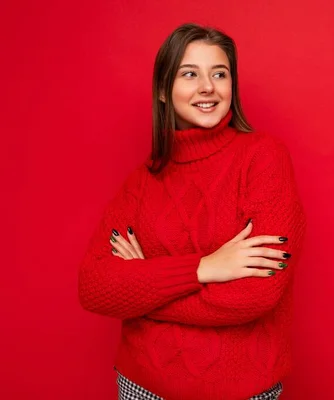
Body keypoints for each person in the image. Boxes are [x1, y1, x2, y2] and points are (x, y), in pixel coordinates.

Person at [78, 23, 306, 400]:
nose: (207, 87)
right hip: (142, 385)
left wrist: (142, 294)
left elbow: (258, 293)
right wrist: (203, 267)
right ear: (163, 91)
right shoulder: (142, 182)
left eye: (220, 73)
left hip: (242, 391)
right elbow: (94, 287)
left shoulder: (264, 159)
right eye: (190, 74)